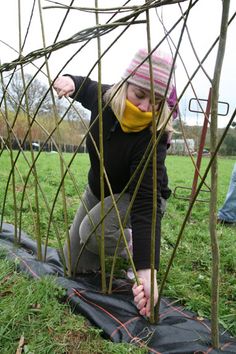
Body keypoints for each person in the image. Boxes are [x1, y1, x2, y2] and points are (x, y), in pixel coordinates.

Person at [53, 48, 176, 317]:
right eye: (139, 95)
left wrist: (147, 270)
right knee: (74, 263)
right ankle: (111, 239)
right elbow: (83, 86)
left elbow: (145, 204)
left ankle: (129, 245)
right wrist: (69, 79)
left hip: (132, 197)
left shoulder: (152, 136)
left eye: (155, 101)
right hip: (98, 190)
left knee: (93, 231)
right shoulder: (104, 98)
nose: (145, 107)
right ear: (125, 85)